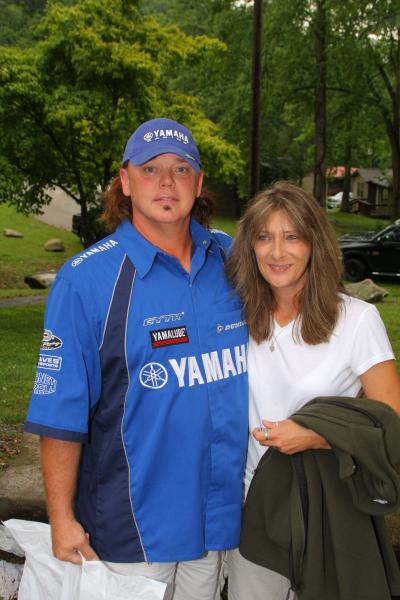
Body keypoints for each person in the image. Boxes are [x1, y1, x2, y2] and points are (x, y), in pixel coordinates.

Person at [25, 117, 248, 600]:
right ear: (125, 182)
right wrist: (62, 518)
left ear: (199, 182)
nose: (166, 182)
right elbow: (58, 413)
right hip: (132, 529)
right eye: (149, 169)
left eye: (181, 169)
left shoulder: (236, 261)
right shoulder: (85, 280)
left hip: (216, 519)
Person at [225, 181, 400, 600]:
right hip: (253, 508)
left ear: (315, 243)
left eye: (292, 236)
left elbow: (391, 417)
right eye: (264, 237)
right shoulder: (235, 317)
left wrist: (317, 435)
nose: (277, 252)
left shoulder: (357, 320)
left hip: (325, 509)